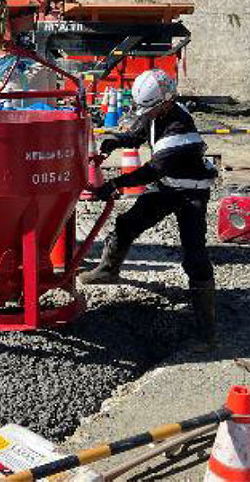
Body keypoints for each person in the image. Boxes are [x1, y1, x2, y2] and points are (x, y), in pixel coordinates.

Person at [80, 69, 219, 344]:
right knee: (127, 223)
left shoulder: (179, 132)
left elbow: (149, 172)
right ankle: (108, 271)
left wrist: (114, 185)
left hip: (191, 193)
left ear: (166, 101)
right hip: (169, 185)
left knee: (194, 254)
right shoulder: (159, 113)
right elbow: (139, 133)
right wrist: (117, 141)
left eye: (150, 108)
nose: (147, 113)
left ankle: (207, 325)